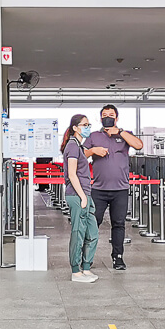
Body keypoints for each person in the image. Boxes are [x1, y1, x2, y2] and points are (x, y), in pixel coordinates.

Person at [84, 104, 143, 271]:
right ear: (100, 118)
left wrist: (120, 132)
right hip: (99, 189)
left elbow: (138, 145)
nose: (107, 117)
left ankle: (118, 258)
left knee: (119, 223)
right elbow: (81, 154)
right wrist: (93, 150)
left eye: (111, 115)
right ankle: (87, 257)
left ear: (116, 118)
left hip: (120, 189)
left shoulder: (125, 135)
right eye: (104, 115)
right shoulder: (94, 136)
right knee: (93, 222)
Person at [63, 114, 99, 283]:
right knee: (78, 233)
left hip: (86, 194)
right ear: (75, 128)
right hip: (77, 195)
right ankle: (76, 271)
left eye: (88, 124)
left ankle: (86, 267)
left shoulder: (79, 146)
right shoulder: (72, 146)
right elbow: (72, 173)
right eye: (84, 125)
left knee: (92, 233)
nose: (88, 127)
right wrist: (83, 197)